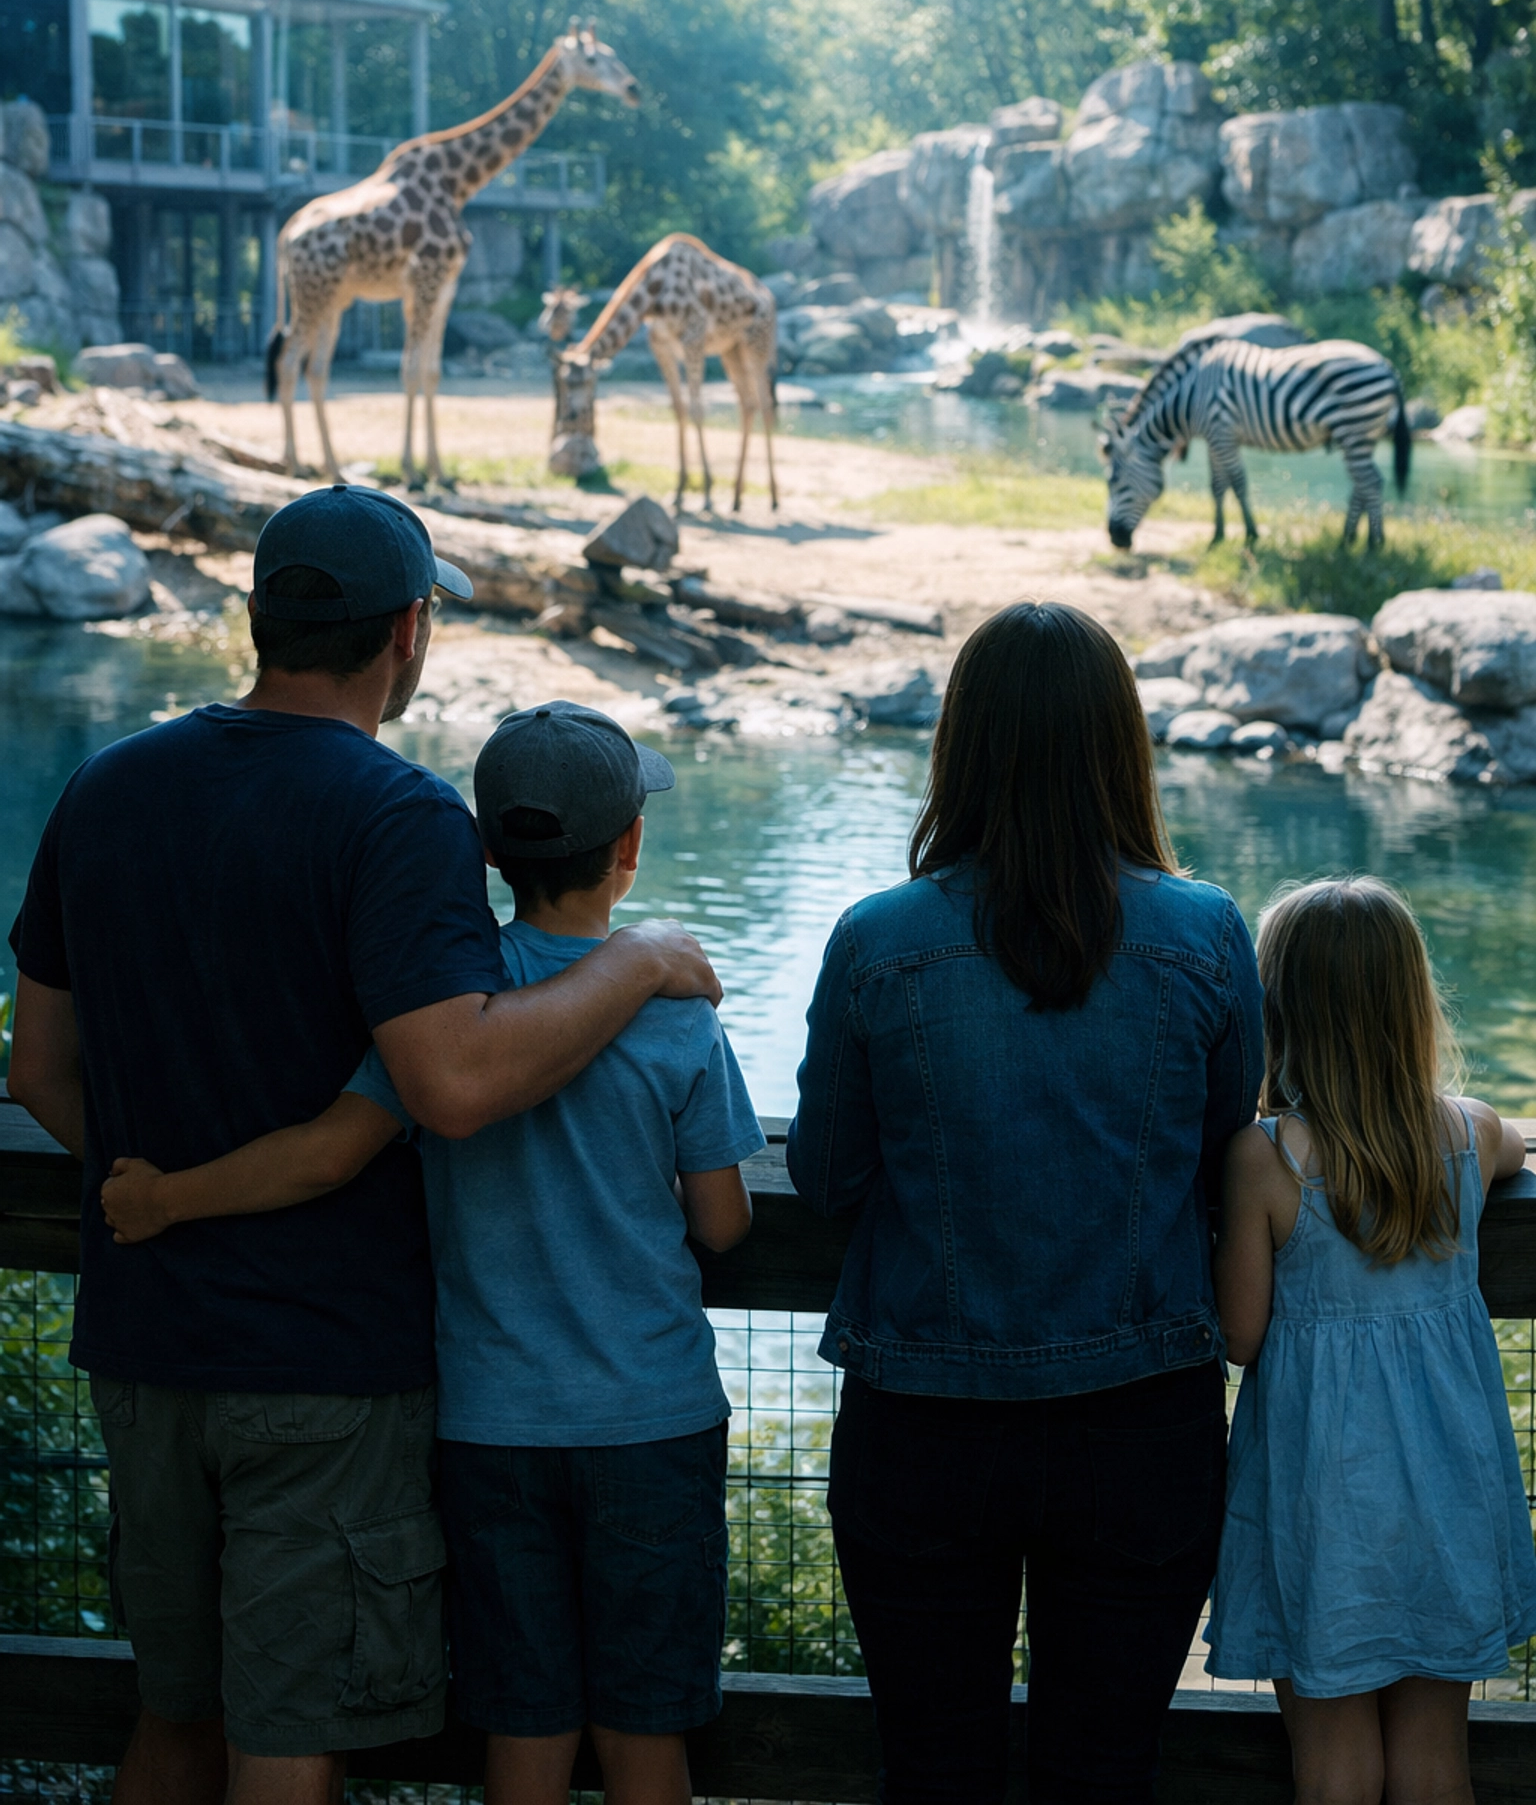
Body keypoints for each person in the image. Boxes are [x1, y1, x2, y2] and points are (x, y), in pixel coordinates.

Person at [7, 491, 720, 1805]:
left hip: (144, 1343)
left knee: (175, 1722)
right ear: (408, 632)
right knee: (287, 1743)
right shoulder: (400, 819)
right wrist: (636, 962)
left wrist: (173, 1191)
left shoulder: (107, 786)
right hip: (321, 1364)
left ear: (262, 619)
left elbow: (39, 1069)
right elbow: (449, 1084)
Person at [101, 697, 764, 1805]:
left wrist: (169, 1198)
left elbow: (326, 1153)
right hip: (652, 1421)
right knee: (646, 1731)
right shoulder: (680, 1017)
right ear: (629, 851)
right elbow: (725, 1223)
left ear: (490, 849)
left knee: (525, 1725)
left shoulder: (445, 1008)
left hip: (487, 1425)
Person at [785, 600, 1264, 1805]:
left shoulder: (878, 940)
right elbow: (1228, 1159)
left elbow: (829, 1173)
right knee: (1102, 1776)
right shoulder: (1207, 934)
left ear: (962, 743)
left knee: (933, 1774)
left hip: (922, 1426)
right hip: (1142, 1422)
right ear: (1122, 745)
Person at [1206, 876, 1536, 1805]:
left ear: (1278, 1006)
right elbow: (1517, 1144)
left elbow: (1239, 1336)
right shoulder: (1468, 1137)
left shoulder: (1264, 1160)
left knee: (1334, 1767)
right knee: (1436, 1764)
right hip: (1447, 1488)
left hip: (1320, 1496)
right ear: (1410, 1003)